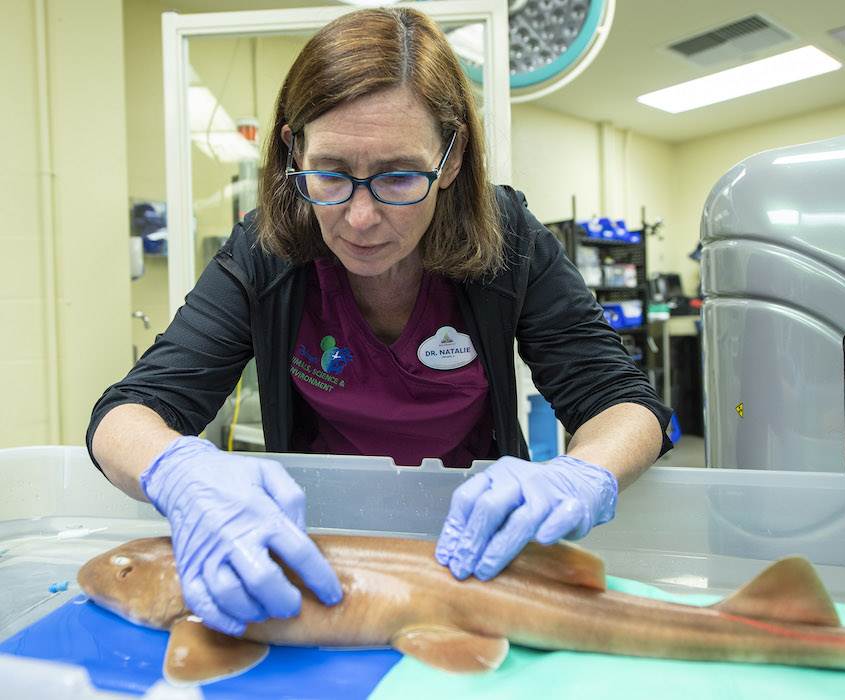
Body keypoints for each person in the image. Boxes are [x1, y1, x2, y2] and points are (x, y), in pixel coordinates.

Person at [87, 7, 672, 639]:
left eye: (398, 176)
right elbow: (128, 413)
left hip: (476, 550)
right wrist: (176, 469)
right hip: (320, 551)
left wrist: (586, 472)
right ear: (293, 151)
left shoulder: (506, 239)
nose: (361, 218)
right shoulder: (265, 253)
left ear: (451, 159)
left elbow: (622, 402)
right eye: (330, 173)